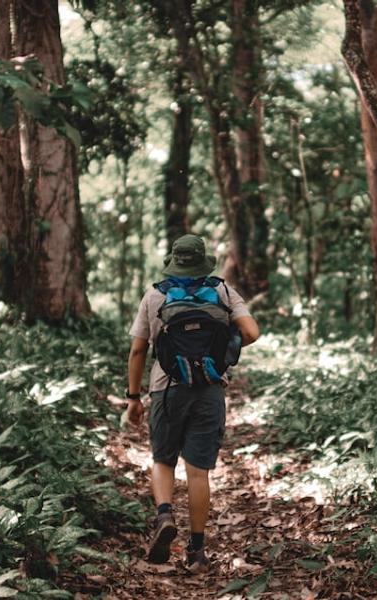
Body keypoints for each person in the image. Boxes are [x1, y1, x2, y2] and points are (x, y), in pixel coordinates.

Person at [126, 234, 260, 573]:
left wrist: (133, 398)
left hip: (166, 389)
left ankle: (164, 515)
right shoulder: (223, 292)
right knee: (198, 472)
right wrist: (220, 347)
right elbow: (251, 332)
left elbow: (138, 350)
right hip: (209, 389)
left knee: (163, 459)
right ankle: (197, 552)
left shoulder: (155, 295)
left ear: (174, 261)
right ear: (203, 262)